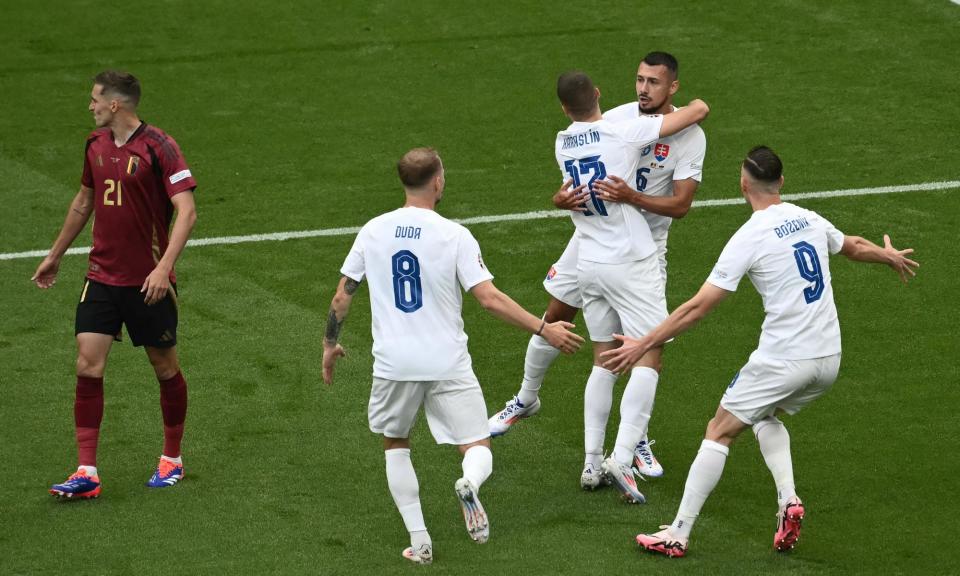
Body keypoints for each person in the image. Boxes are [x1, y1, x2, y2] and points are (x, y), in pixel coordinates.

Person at [601, 146, 919, 557]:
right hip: (829, 360)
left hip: (785, 358)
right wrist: (888, 255)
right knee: (763, 414)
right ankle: (788, 500)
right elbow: (852, 245)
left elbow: (698, 307)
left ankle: (677, 533)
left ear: (743, 184)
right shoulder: (807, 216)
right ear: (781, 182)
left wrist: (644, 343)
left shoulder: (749, 236)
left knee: (719, 430)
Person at [321, 147, 583, 565]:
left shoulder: (373, 230)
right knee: (476, 443)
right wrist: (543, 327)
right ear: (438, 181)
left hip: (394, 362)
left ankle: (420, 541)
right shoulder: (454, 235)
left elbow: (342, 295)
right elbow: (489, 298)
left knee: (396, 443)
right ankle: (469, 483)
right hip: (447, 360)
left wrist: (329, 344)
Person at [489, 52, 707, 481]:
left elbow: (681, 205)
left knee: (637, 348)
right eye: (639, 80)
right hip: (593, 238)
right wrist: (558, 199)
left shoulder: (690, 137)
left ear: (672, 88)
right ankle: (525, 398)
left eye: (654, 83)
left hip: (643, 242)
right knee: (556, 318)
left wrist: (633, 198)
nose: (643, 89)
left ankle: (634, 439)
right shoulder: (623, 118)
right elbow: (578, 174)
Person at [32, 70, 198, 499]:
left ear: (116, 105)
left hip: (147, 282)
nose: (90, 106)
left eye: (95, 99)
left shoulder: (159, 146)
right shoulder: (94, 145)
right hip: (101, 276)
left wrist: (163, 268)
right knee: (88, 364)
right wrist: (54, 255)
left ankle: (172, 459)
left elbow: (187, 211)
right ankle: (87, 471)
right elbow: (83, 201)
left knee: (165, 368)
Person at [544, 70, 707, 503]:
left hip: (590, 262)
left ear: (564, 109)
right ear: (598, 94)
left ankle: (591, 462)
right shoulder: (623, 131)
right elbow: (694, 113)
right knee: (649, 354)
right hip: (631, 259)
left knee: (604, 361)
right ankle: (622, 456)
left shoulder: (562, 142)